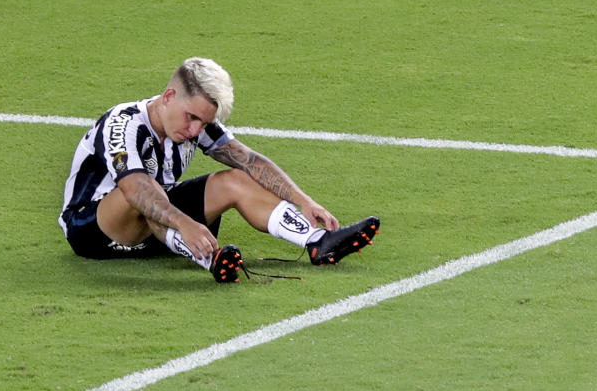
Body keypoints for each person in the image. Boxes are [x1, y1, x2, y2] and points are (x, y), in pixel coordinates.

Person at [58, 57, 379, 282]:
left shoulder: (196, 125)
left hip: (160, 226)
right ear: (169, 96)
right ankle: (210, 259)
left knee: (235, 180)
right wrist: (187, 222)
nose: (196, 130)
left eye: (204, 122)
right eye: (191, 118)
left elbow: (248, 161)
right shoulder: (123, 123)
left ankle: (318, 242)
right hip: (95, 231)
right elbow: (135, 191)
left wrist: (303, 200)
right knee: (144, 190)